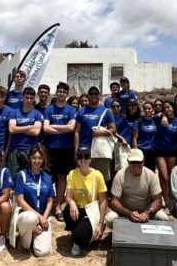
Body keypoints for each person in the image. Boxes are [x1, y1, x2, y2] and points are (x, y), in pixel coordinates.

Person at [105, 149, 168, 227]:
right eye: (133, 162)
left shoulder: (151, 175)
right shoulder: (120, 175)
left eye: (139, 162)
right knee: (110, 219)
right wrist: (129, 213)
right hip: (124, 212)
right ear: (128, 162)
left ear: (143, 162)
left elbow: (158, 200)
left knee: (163, 218)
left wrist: (147, 212)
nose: (136, 165)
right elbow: (114, 201)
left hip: (146, 210)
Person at [43, 81, 77, 221]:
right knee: (47, 178)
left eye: (64, 91)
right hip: (50, 148)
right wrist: (62, 128)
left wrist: (54, 127)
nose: (61, 93)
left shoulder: (70, 110)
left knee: (62, 178)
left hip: (65, 149)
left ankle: (58, 207)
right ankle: (46, 205)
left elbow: (71, 128)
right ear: (56, 92)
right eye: (59, 91)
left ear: (66, 94)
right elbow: (45, 128)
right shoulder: (49, 109)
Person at [65, 147, 109, 256]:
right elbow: (68, 197)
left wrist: (100, 223)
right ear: (77, 159)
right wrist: (72, 202)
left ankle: (80, 238)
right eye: (80, 156)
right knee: (66, 211)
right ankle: (79, 236)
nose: (83, 159)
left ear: (90, 159)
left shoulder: (97, 175)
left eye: (86, 156)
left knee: (79, 235)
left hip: (91, 212)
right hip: (78, 210)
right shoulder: (72, 174)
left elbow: (103, 201)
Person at [13, 145, 55, 256]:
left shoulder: (47, 177)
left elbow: (50, 201)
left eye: (40, 158)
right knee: (30, 218)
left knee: (43, 252)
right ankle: (23, 243)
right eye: (34, 157)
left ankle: (33, 236)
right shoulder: (22, 175)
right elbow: (20, 201)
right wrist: (39, 217)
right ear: (29, 158)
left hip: (42, 218)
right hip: (25, 217)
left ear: (43, 159)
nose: (37, 161)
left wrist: (43, 220)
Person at [74, 86, 116, 183]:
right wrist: (76, 151)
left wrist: (101, 132)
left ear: (99, 95)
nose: (93, 95)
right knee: (84, 179)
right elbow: (77, 132)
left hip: (101, 150)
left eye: (96, 93)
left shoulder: (106, 111)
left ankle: (102, 198)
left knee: (101, 179)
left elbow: (113, 130)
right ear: (88, 95)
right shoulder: (81, 111)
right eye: (91, 93)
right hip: (84, 149)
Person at [7, 87, 43, 178]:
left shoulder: (37, 114)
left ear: (34, 99)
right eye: (27, 97)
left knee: (29, 178)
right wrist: (29, 126)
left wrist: (18, 128)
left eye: (31, 98)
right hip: (15, 150)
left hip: (30, 151)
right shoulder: (14, 112)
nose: (29, 100)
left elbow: (36, 132)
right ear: (23, 98)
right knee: (14, 178)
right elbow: (11, 130)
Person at [154, 100, 177, 211]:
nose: (166, 109)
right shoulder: (158, 118)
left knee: (171, 176)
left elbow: (173, 132)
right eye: (164, 108)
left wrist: (167, 124)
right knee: (164, 177)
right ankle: (165, 199)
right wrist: (162, 116)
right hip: (159, 150)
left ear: (172, 108)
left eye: (168, 107)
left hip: (172, 150)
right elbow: (149, 118)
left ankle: (170, 199)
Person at [133, 101, 157, 172]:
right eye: (145, 108)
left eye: (149, 108)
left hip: (152, 152)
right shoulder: (138, 121)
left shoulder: (155, 120)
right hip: (142, 150)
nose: (147, 110)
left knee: (151, 172)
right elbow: (134, 139)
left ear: (153, 109)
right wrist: (136, 152)